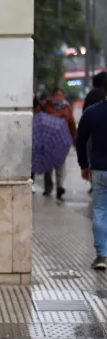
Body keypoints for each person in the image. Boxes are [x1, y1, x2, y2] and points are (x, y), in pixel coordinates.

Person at [76, 77, 107, 270]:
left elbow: (80, 141)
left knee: (100, 211)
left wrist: (83, 164)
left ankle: (102, 256)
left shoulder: (91, 113)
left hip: (99, 169)